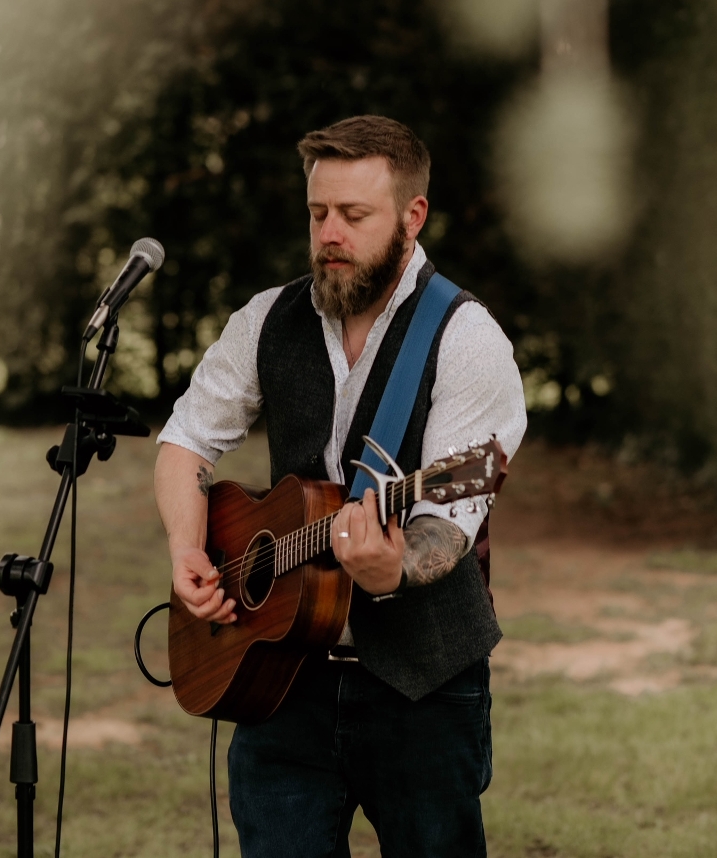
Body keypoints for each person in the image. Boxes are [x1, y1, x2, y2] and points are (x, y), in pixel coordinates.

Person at [154, 115, 526, 857]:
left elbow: (447, 526)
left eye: (354, 216)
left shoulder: (466, 338)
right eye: (319, 213)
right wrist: (187, 549)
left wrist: (393, 568)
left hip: (423, 684)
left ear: (412, 216)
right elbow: (185, 441)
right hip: (280, 678)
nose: (330, 233)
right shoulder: (267, 319)